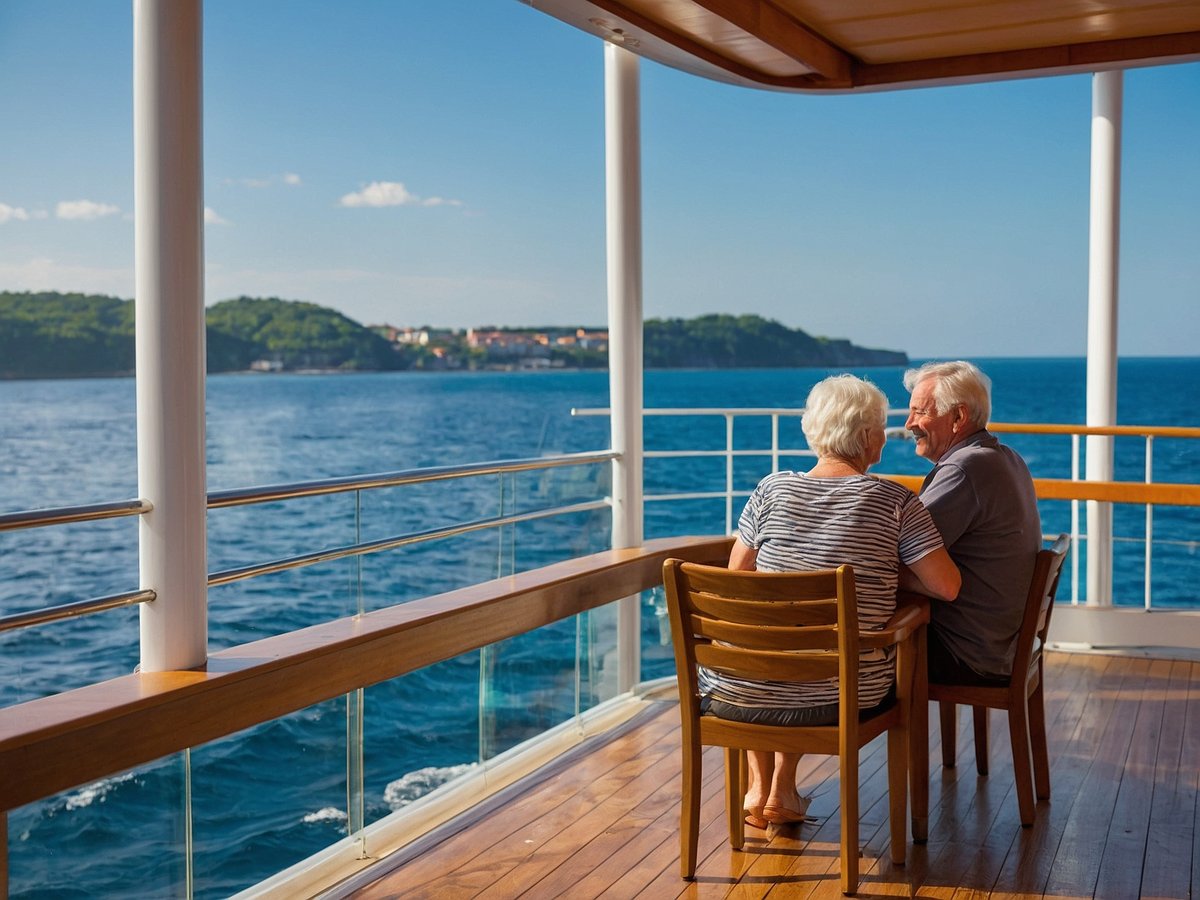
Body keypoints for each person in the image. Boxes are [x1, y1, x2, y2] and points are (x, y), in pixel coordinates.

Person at [698, 374, 961, 829]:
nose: (887, 435)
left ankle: (764, 787)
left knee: (775, 642)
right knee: (820, 656)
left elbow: (736, 579)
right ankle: (778, 788)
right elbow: (946, 586)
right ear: (867, 437)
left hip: (737, 684)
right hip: (842, 690)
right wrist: (878, 572)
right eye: (882, 427)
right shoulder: (896, 501)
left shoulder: (770, 490)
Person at [901, 360, 1042, 685]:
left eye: (920, 412)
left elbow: (905, 551)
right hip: (1001, 644)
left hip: (969, 653)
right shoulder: (1006, 457)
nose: (909, 424)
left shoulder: (963, 470)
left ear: (958, 418)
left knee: (857, 650)